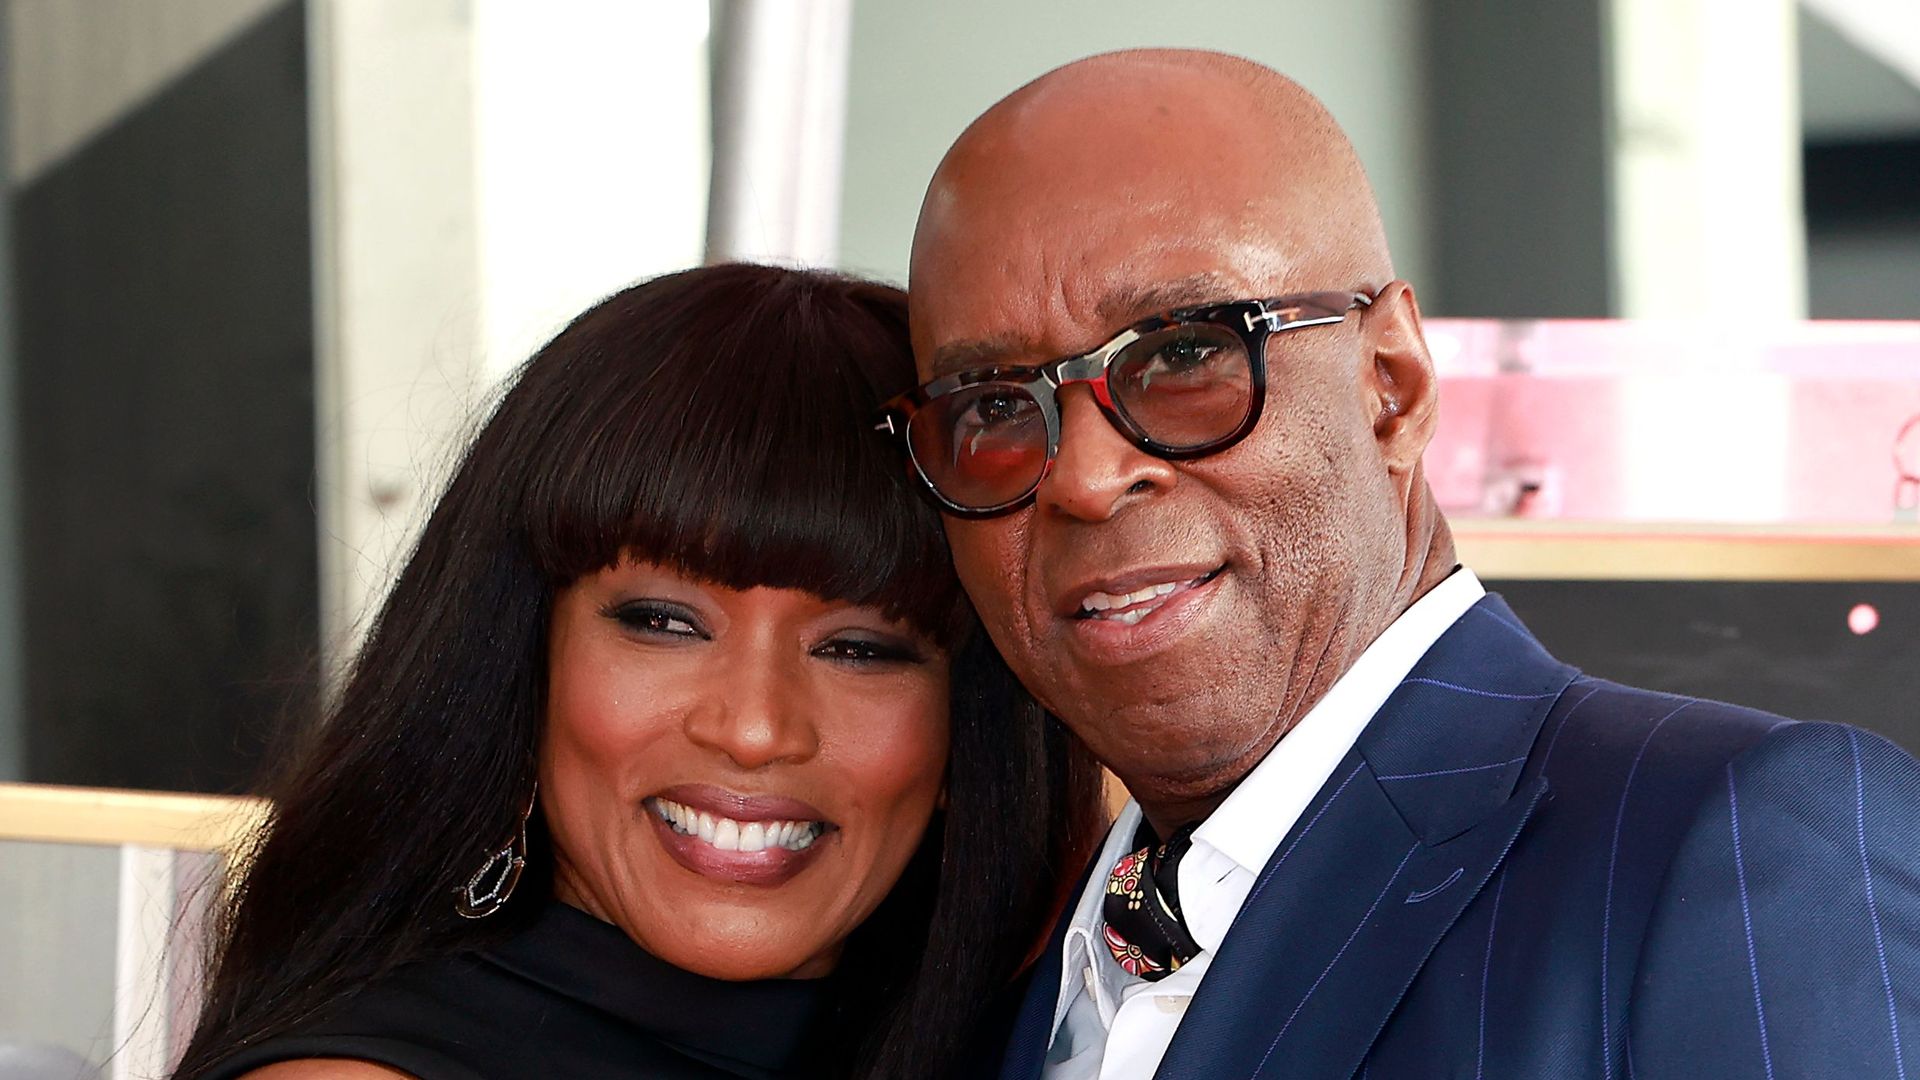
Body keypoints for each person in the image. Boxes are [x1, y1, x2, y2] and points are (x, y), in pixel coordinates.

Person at [883, 49, 1920, 1079]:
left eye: (1185, 353)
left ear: (1394, 384)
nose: (1086, 480)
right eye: (990, 406)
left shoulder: (1733, 848)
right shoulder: (1001, 989)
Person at [173, 263, 1104, 1080]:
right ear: (520, 668)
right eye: (664, 623)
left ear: (969, 727)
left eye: (861, 649)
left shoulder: (1070, 1042)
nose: (753, 727)